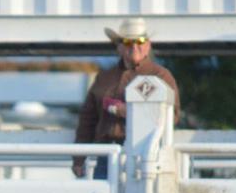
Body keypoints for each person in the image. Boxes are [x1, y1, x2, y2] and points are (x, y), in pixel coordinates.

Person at [73, 17, 179, 179]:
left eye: (140, 41)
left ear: (148, 44)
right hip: (105, 156)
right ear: (119, 47)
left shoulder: (160, 76)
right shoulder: (104, 77)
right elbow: (87, 120)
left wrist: (131, 113)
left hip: (146, 158)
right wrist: (79, 159)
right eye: (128, 42)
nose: (134, 46)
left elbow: (173, 117)